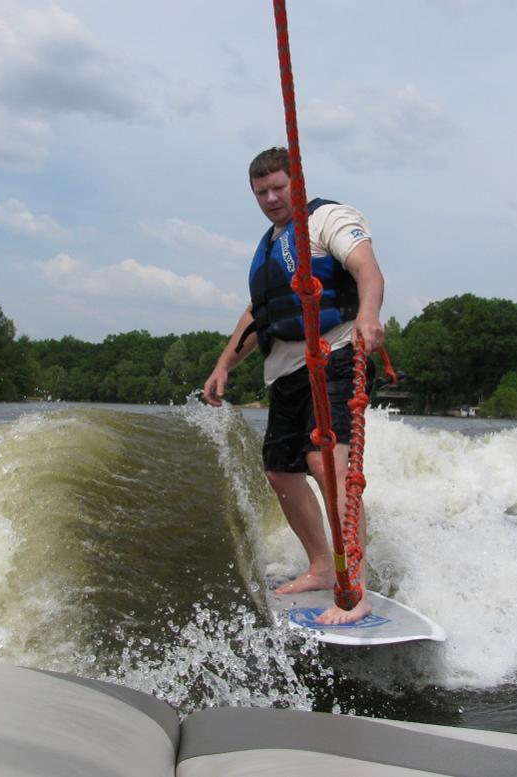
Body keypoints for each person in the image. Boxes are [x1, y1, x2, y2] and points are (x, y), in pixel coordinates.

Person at [204, 146, 385, 625]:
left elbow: (367, 269)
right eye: (261, 192)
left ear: (296, 183)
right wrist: (224, 365)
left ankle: (354, 584)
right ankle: (322, 566)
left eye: (278, 188)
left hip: (336, 354)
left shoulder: (327, 220)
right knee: (280, 473)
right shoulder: (269, 246)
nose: (271, 198)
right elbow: (257, 314)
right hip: (286, 373)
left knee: (326, 463)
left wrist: (369, 315)